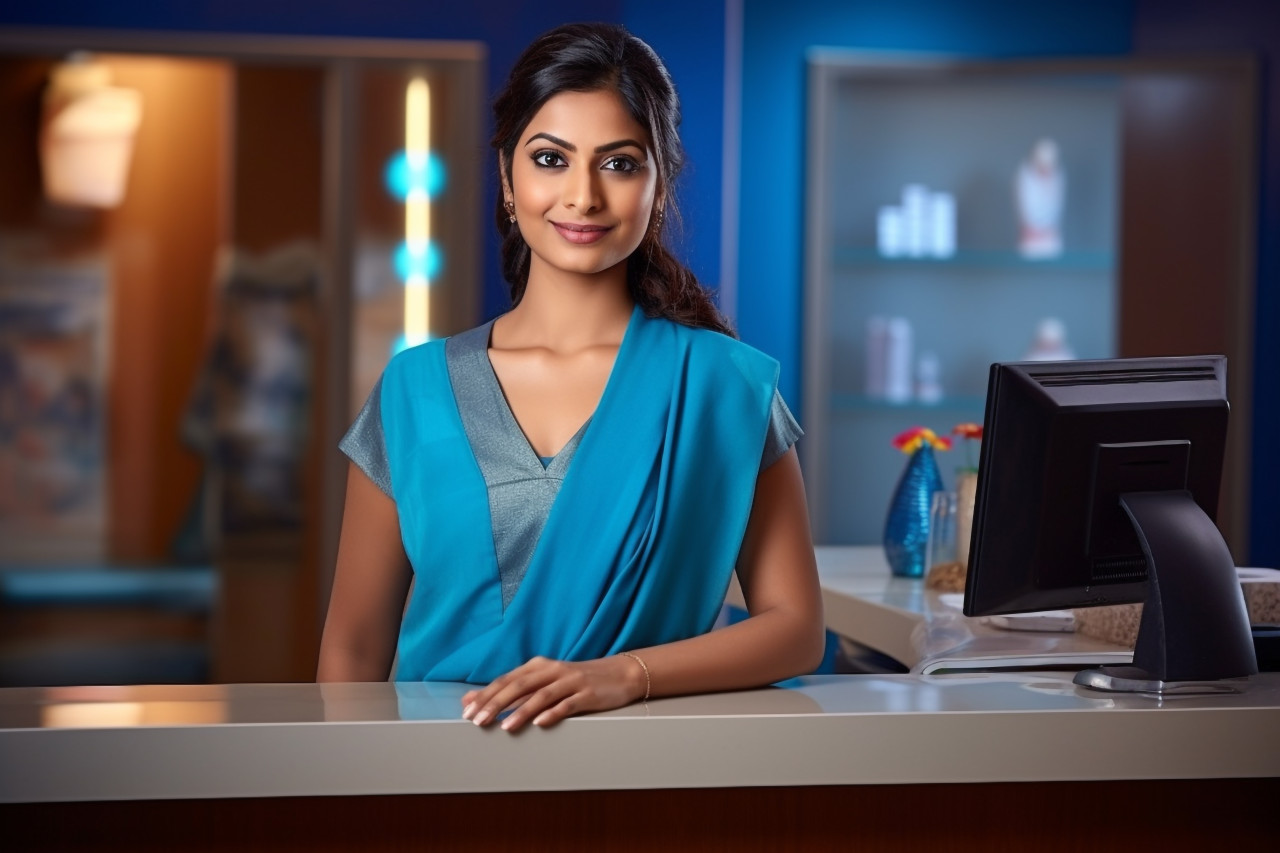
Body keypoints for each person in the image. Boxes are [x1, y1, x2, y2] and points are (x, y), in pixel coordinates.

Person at [317, 22, 823, 731]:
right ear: (506, 175)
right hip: (436, 782)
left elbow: (796, 626)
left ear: (660, 182)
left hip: (649, 778)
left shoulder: (722, 386)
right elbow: (353, 646)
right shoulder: (414, 390)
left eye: (619, 164)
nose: (582, 196)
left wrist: (627, 674)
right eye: (551, 158)